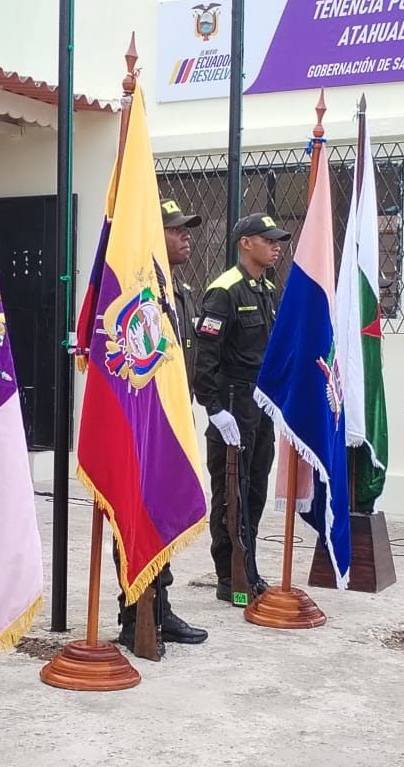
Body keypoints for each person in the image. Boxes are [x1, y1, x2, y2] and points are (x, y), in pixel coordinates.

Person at [113, 200, 209, 655]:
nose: (186, 236)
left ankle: (160, 606)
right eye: (176, 229)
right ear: (155, 235)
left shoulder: (181, 292)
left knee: (165, 515)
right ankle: (135, 613)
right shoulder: (139, 292)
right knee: (136, 517)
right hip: (143, 426)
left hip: (173, 421)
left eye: (187, 229)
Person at [193, 213, 291, 602]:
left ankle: (248, 569)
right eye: (268, 240)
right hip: (233, 401)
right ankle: (229, 576)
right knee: (231, 491)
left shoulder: (266, 289)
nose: (276, 246)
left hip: (260, 401)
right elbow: (205, 358)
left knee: (255, 488)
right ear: (245, 243)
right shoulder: (225, 290)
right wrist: (214, 409)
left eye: (277, 240)